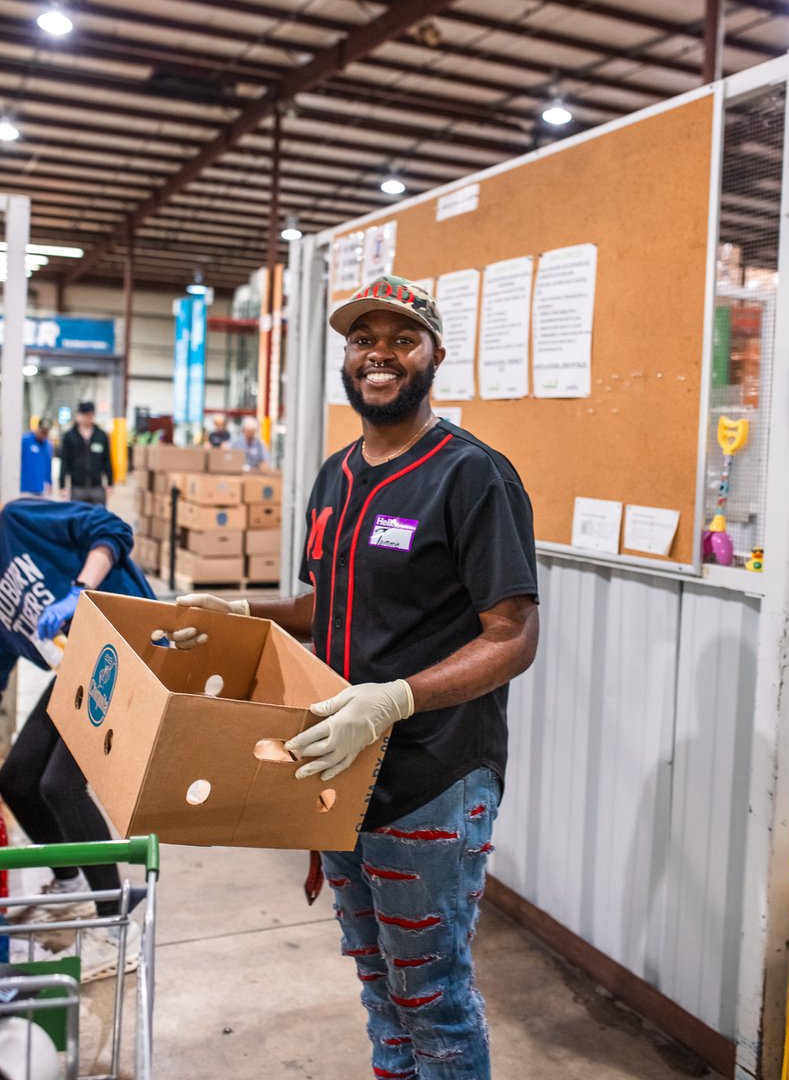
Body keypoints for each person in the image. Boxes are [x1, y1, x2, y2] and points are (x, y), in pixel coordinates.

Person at [158, 276, 540, 1079]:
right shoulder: (337, 474)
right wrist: (237, 610)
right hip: (336, 770)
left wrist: (395, 698)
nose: (380, 355)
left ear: (435, 355)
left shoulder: (473, 475)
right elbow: (318, 602)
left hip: (431, 774)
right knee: (378, 985)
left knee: (432, 995)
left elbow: (512, 636)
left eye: (402, 339)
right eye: (364, 340)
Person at [0, 498, 154, 981]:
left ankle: (116, 927)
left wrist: (81, 590)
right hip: (79, 662)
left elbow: (110, 528)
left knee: (59, 785)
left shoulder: (16, 521)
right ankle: (69, 886)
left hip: (129, 638)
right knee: (19, 779)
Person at [59, 401, 114, 505]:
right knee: (78, 518)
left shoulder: (101, 436)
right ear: (79, 415)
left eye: (91, 415)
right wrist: (62, 486)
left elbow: (107, 460)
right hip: (77, 488)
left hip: (97, 487)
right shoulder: (70, 437)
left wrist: (110, 483)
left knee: (99, 518)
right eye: (86, 415)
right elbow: (64, 461)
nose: (89, 418)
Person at [20, 417, 54, 497]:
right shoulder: (25, 441)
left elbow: (48, 465)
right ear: (37, 429)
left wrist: (49, 482)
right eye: (42, 432)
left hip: (40, 489)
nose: (44, 436)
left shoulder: (48, 445)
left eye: (46, 433)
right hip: (24, 489)